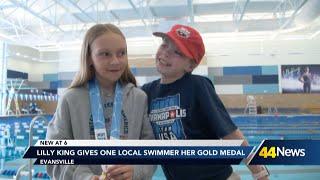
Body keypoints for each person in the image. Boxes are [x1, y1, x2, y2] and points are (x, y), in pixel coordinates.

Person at [142, 24, 270, 180]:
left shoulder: (198, 86)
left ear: (191, 65)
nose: (166, 52)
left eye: (177, 52)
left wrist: (258, 171)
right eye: (164, 44)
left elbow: (229, 132)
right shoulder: (147, 92)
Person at [46, 24, 155, 180]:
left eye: (121, 53)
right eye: (105, 54)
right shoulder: (70, 99)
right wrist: (84, 177)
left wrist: (136, 170)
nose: (115, 61)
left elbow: (150, 148)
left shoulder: (138, 98)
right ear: (89, 58)